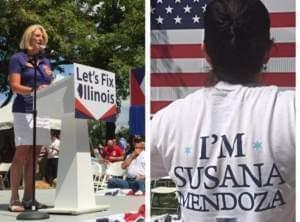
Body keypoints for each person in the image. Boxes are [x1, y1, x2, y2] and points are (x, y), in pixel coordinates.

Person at [151, 0, 295, 221]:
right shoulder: (291, 113)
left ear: (205, 52)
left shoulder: (167, 122)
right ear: (268, 51)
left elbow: (139, 169)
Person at [8, 24, 52, 212]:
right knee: (22, 153)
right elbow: (14, 86)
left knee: (35, 156)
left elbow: (48, 84)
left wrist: (50, 80)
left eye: (42, 36)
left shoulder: (44, 61)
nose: (40, 39)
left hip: (43, 110)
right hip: (24, 110)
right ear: (28, 38)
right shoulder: (18, 58)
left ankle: (29, 197)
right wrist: (34, 90)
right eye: (36, 35)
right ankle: (14, 198)